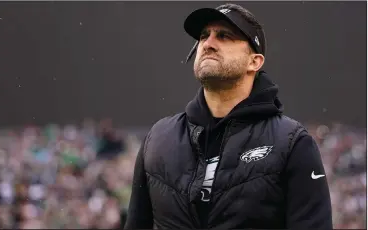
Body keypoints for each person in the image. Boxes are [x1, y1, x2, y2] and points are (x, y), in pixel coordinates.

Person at [124, 3, 333, 229]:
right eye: (204, 36)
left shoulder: (292, 143)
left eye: (224, 36)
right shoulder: (157, 139)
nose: (208, 44)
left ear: (255, 61)